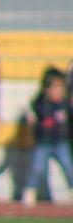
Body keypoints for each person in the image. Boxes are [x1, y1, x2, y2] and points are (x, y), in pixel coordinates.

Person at [20, 66, 72, 206]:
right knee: (37, 169)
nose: (58, 91)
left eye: (60, 87)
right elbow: (29, 115)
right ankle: (30, 192)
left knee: (69, 168)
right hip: (43, 143)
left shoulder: (65, 104)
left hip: (61, 143)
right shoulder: (39, 104)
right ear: (46, 88)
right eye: (55, 87)